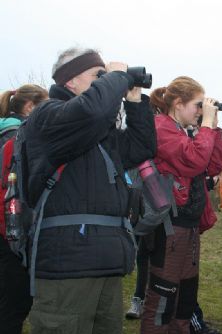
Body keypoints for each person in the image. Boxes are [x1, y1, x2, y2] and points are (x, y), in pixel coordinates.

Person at [24, 47, 156, 334]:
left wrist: (134, 99)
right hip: (67, 266)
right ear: (70, 82)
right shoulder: (48, 117)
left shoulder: (99, 133)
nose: (107, 80)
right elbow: (92, 111)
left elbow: (142, 148)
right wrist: (118, 75)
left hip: (105, 259)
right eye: (99, 75)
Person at [140, 76, 222, 334]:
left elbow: (213, 165)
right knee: (162, 299)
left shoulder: (185, 131)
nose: (201, 111)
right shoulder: (161, 127)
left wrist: (214, 128)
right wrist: (207, 126)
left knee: (184, 300)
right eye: (198, 105)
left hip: (188, 227)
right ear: (178, 104)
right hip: (169, 228)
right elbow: (194, 161)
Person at [0, 85, 48, 334]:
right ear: (30, 107)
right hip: (12, 230)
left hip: (5, 227)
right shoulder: (18, 137)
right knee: (14, 305)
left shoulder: (4, 131)